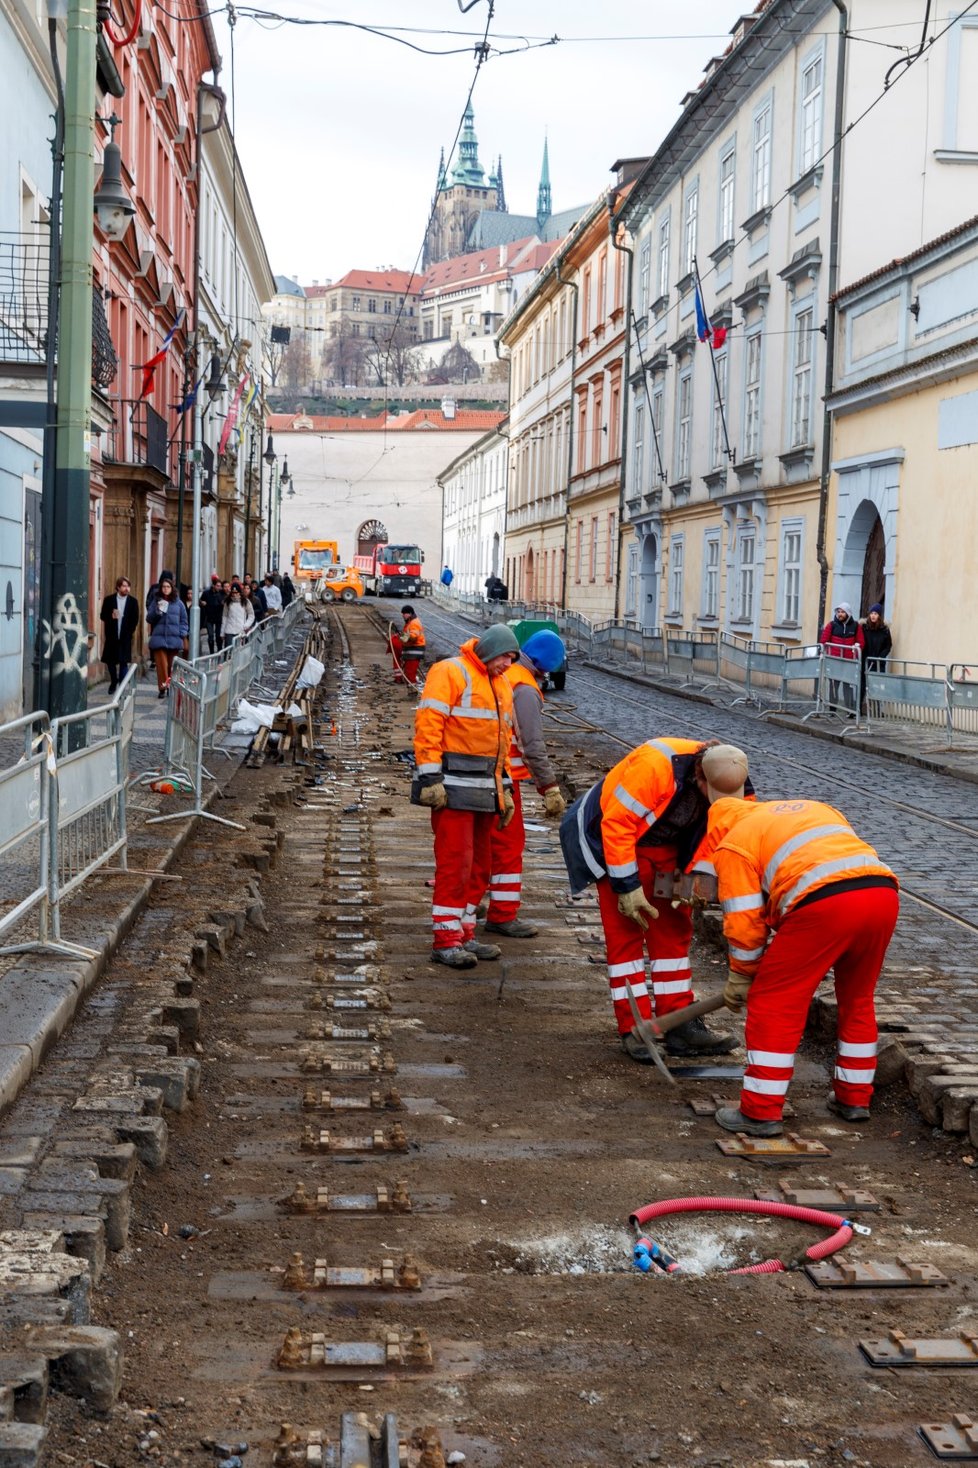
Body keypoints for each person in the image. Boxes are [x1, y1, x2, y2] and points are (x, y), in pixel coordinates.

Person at [704, 795, 900, 1137]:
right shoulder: (812, 808)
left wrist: (743, 974)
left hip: (823, 904)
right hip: (882, 894)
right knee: (857, 998)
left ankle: (760, 1110)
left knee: (774, 1001)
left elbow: (744, 923)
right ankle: (854, 1098)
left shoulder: (732, 844)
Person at [561, 741, 751, 1060]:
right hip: (616, 842)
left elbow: (723, 833)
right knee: (626, 936)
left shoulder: (735, 778)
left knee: (674, 933)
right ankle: (635, 1027)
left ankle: (678, 1024)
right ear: (698, 775)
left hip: (668, 847)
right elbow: (617, 825)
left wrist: (697, 882)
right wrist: (626, 887)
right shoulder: (654, 768)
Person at [413, 624, 519, 969]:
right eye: (505, 657)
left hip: (483, 792)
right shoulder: (450, 671)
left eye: (513, 659)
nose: (508, 665)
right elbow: (429, 725)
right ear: (490, 651)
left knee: (480, 866)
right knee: (455, 865)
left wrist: (503, 789)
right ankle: (445, 939)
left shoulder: (501, 683)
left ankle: (465, 931)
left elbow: (502, 743)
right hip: (452, 790)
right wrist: (430, 777)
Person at [480, 629, 567, 938]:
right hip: (504, 779)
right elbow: (531, 744)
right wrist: (549, 786)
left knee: (483, 845)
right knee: (508, 848)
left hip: (483, 772)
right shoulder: (526, 689)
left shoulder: (507, 674)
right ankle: (502, 915)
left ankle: (472, 901)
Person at [146, 572, 189, 697]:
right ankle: (163, 687)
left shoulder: (179, 603)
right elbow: (149, 618)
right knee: (161, 664)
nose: (165, 589)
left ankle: (170, 685)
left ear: (172, 588)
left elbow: (184, 621)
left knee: (171, 666)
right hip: (159, 638)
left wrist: (182, 633)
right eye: (163, 587)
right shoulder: (156, 601)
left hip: (174, 638)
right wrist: (158, 612)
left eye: (168, 587)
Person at [819, 601, 864, 716]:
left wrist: (857, 646)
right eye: (838, 612)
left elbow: (861, 641)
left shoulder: (856, 626)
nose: (840, 614)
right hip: (834, 660)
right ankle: (832, 710)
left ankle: (850, 710)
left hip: (849, 661)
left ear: (848, 613)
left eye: (843, 612)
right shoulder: (832, 625)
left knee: (848, 686)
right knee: (833, 685)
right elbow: (823, 641)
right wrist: (826, 650)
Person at [99, 575, 139, 694]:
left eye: (128, 586)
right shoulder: (109, 600)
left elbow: (135, 619)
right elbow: (102, 616)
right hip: (112, 636)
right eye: (124, 586)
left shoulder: (133, 601)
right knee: (110, 661)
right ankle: (113, 681)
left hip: (125, 636)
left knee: (123, 662)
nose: (127, 589)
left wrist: (129, 631)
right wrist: (111, 616)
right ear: (118, 587)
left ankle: (121, 687)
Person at [861, 603, 892, 713]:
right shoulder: (864, 628)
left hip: (879, 662)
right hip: (865, 660)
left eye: (876, 613)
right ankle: (859, 708)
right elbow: (861, 642)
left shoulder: (884, 630)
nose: (873, 616)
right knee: (863, 685)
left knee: (878, 686)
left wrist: (881, 657)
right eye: (872, 613)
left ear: (879, 615)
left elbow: (888, 646)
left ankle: (878, 710)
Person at [391, 604, 426, 686]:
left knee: (410, 672)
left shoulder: (414, 623)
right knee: (409, 671)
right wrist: (401, 636)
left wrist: (403, 637)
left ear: (410, 613)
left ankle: (412, 691)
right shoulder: (410, 622)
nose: (403, 615)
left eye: (404, 613)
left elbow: (413, 638)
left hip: (414, 651)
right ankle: (411, 689)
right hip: (411, 652)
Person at [200, 574, 225, 654]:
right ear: (213, 585)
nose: (219, 587)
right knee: (210, 636)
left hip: (218, 617)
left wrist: (223, 603)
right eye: (217, 586)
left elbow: (225, 602)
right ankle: (211, 652)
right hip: (209, 617)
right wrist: (202, 603)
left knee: (218, 636)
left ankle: (220, 650)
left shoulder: (221, 594)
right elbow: (200, 601)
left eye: (220, 586)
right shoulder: (206, 593)